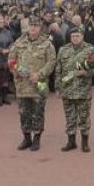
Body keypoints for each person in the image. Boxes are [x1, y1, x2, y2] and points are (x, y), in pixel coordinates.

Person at [8, 17, 56, 151]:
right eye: (31, 25)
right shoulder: (19, 42)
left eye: (36, 25)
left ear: (40, 28)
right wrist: (15, 70)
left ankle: (37, 138)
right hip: (22, 85)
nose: (33, 28)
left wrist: (39, 74)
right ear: (27, 27)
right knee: (24, 112)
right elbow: (11, 59)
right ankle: (26, 137)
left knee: (38, 112)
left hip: (38, 85)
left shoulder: (47, 44)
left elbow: (51, 62)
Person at [55, 28, 94, 152]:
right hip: (67, 89)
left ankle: (85, 142)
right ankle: (71, 141)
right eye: (73, 36)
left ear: (82, 36)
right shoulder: (63, 50)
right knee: (70, 117)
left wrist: (86, 72)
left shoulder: (90, 49)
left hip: (83, 89)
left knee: (84, 117)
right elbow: (58, 70)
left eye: (77, 35)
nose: (75, 38)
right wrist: (57, 87)